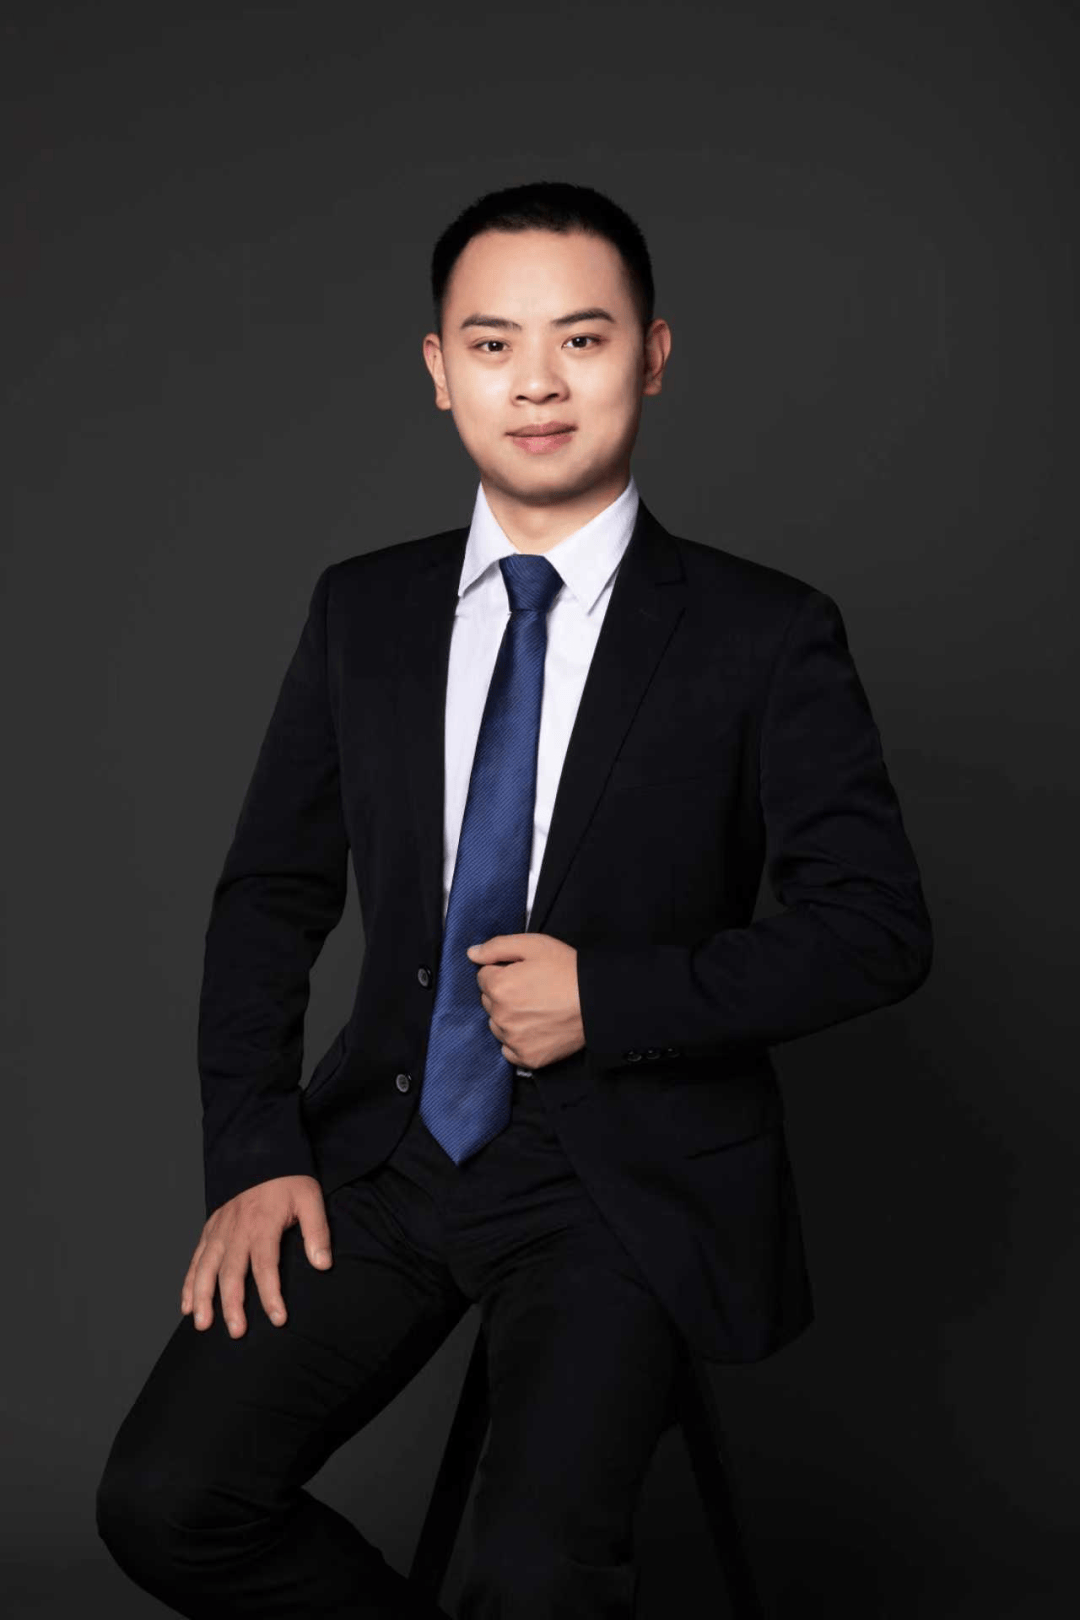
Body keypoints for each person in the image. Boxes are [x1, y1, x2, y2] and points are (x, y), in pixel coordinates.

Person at [95, 179, 933, 1618]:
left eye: (581, 340)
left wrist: (612, 996)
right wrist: (253, 1150)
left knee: (533, 1577)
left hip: (626, 1179)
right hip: (391, 1153)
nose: (536, 383)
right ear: (440, 371)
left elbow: (876, 926)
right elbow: (271, 894)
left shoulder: (765, 632)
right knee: (168, 1502)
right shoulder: (363, 611)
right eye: (492, 344)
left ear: (651, 357)